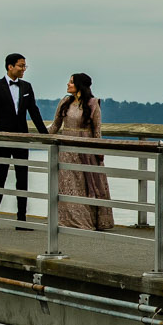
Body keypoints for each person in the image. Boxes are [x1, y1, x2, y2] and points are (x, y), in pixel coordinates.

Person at [0, 53, 46, 228]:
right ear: (10, 67)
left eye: (25, 66)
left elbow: (34, 111)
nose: (24, 69)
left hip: (22, 139)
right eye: (21, 66)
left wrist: (45, 136)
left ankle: (21, 219)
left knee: (22, 178)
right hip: (2, 138)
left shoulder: (27, 87)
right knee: (0, 176)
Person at [51, 73, 115, 231]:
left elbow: (97, 131)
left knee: (84, 186)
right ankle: (65, 220)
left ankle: (84, 221)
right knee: (66, 185)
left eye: (71, 82)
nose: (67, 84)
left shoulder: (93, 104)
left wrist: (98, 154)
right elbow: (54, 127)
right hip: (65, 151)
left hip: (84, 151)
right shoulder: (65, 102)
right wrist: (36, 134)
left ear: (79, 85)